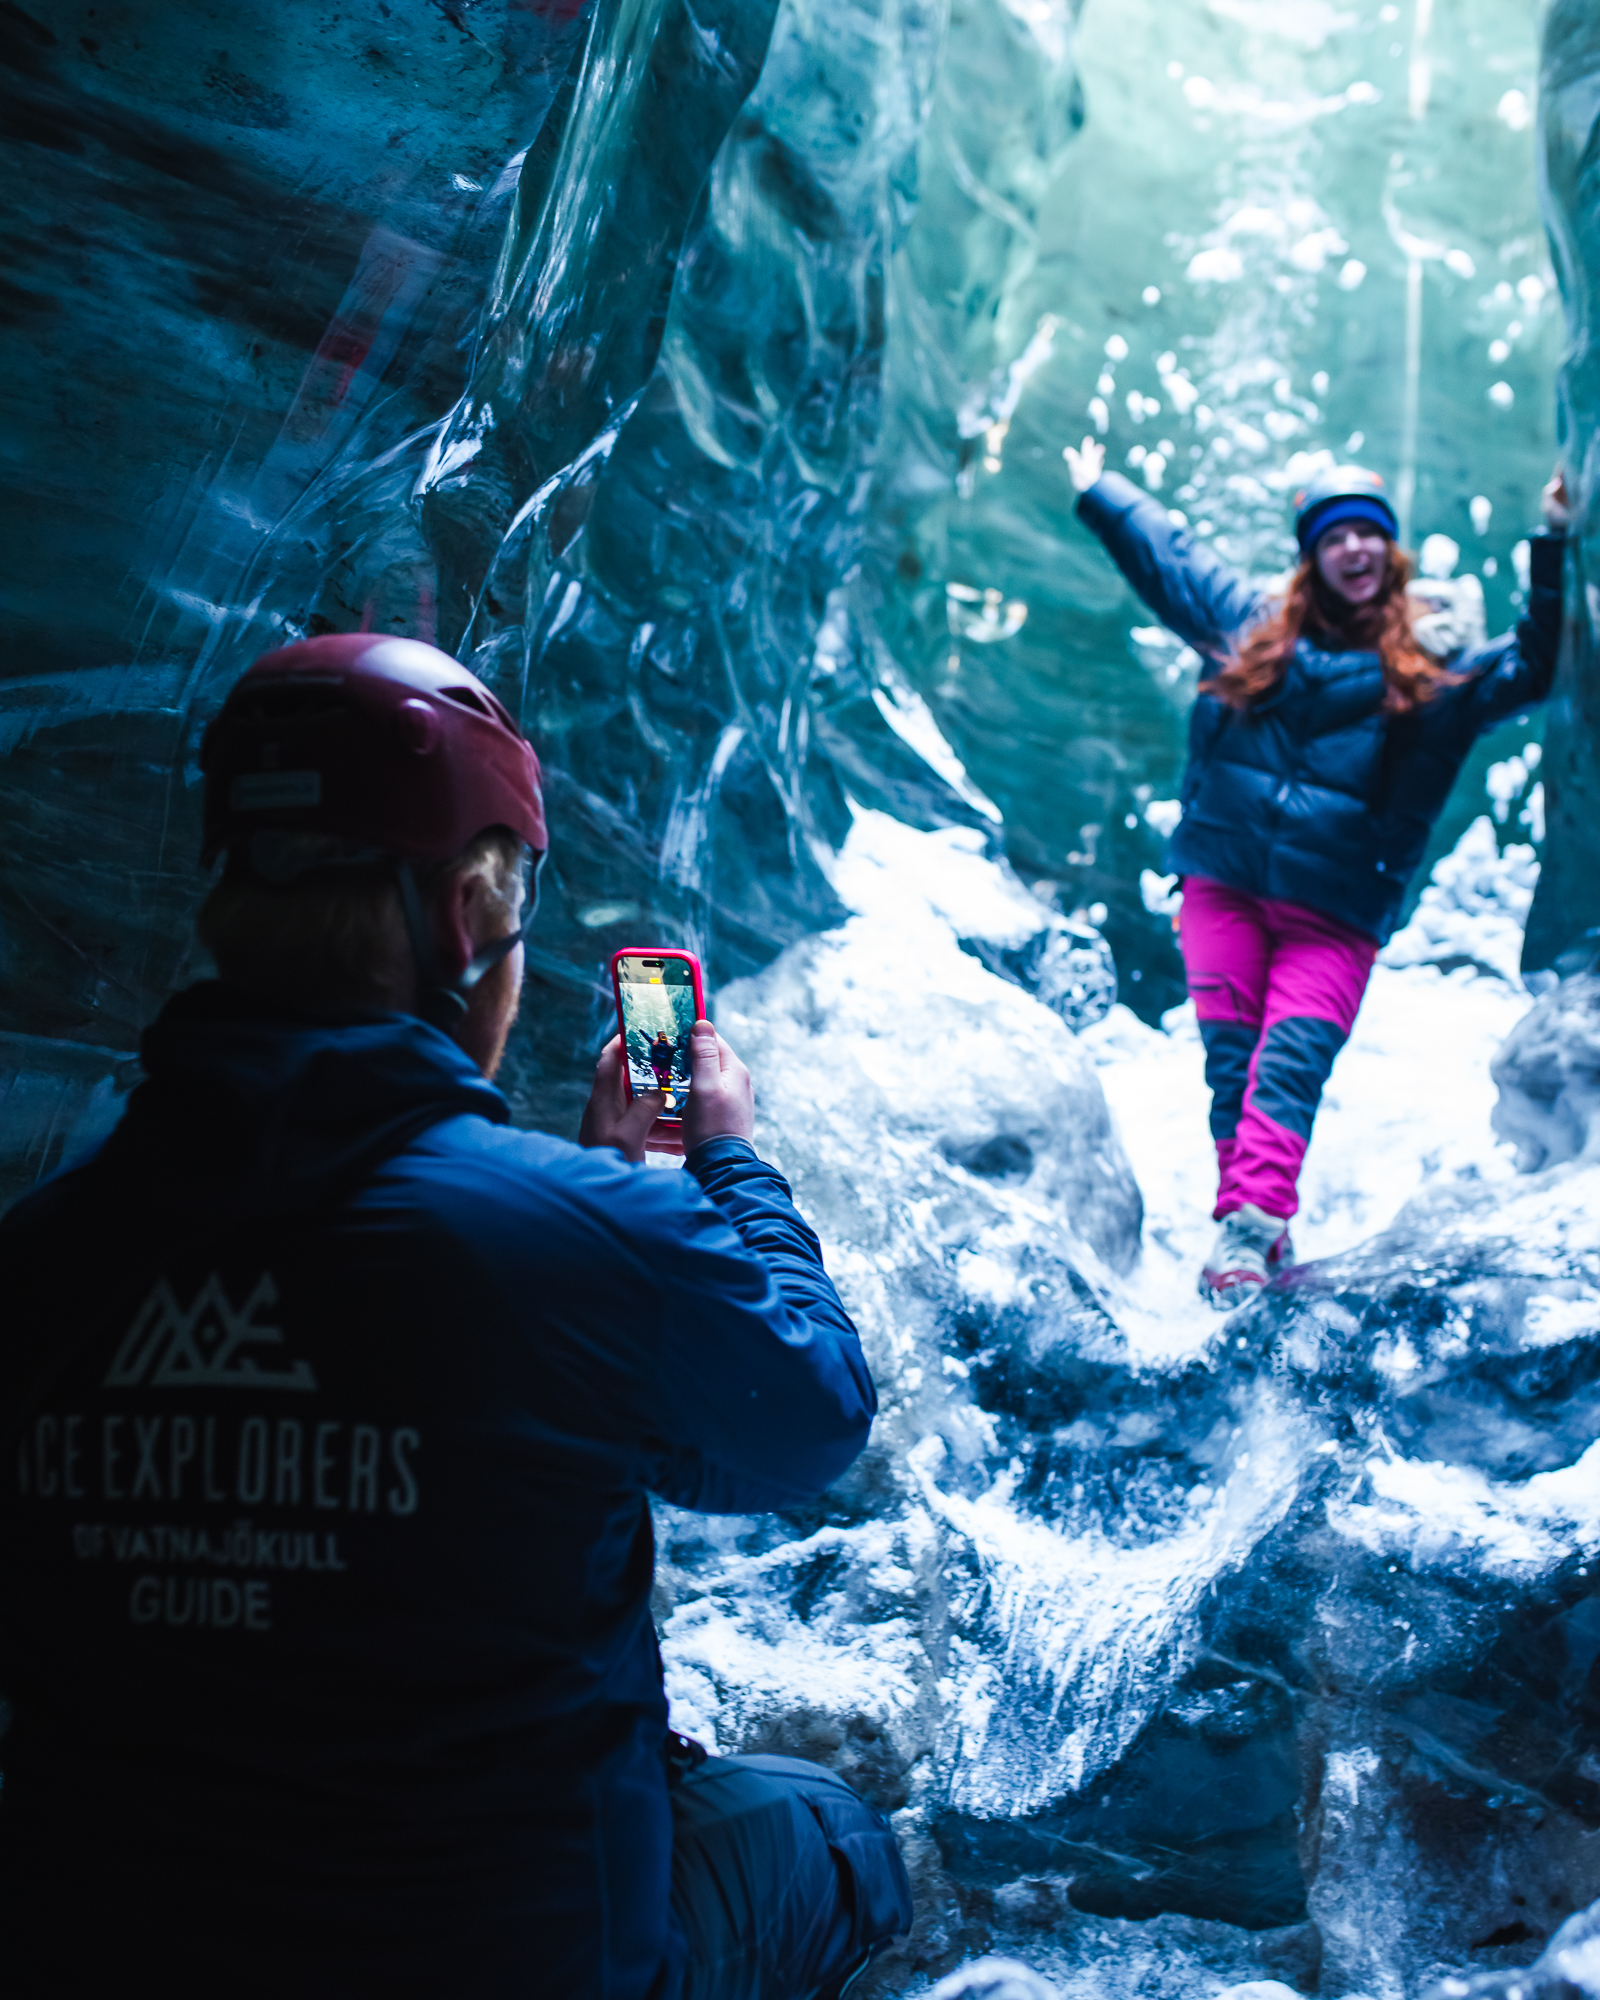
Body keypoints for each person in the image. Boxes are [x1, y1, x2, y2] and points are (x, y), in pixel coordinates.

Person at [0, 633, 911, 1997]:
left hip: (104, 1956)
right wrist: (719, 1162)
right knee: (833, 1835)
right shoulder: (579, 1241)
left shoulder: (42, 1250)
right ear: (465, 921)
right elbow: (811, 1420)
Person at [1062, 441, 1570, 1308]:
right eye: (1334, 536)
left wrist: (1555, 539)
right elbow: (1171, 563)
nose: (1354, 549)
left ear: (1391, 550)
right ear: (1312, 554)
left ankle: (1249, 1229)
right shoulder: (1249, 627)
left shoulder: (1438, 668)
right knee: (1234, 1068)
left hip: (1333, 914)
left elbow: (1537, 661)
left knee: (1288, 1065)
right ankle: (1254, 1227)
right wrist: (1101, 492)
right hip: (1223, 889)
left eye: (1368, 534)